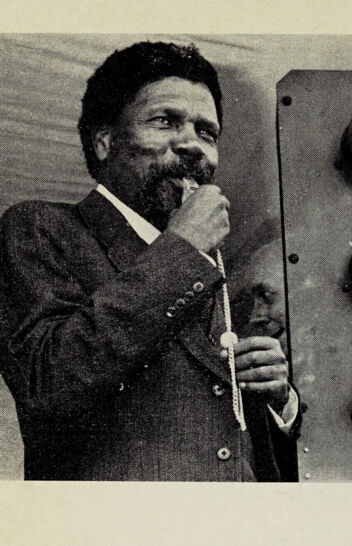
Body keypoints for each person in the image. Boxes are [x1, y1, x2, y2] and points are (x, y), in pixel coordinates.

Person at [0, 41, 299, 480]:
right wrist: (180, 249)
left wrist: (279, 402)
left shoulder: (212, 265)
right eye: (165, 121)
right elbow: (47, 384)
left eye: (207, 133)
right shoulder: (39, 228)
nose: (192, 146)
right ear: (104, 141)